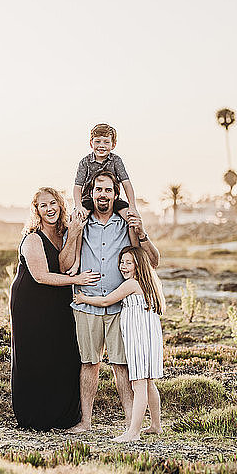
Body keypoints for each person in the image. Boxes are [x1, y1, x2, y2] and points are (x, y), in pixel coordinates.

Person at [59, 171, 160, 434]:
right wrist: (73, 233)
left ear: (116, 195)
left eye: (107, 190)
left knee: (121, 366)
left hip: (119, 308)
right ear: (90, 194)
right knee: (89, 364)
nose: (102, 195)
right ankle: (86, 422)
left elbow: (152, 261)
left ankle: (130, 424)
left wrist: (142, 231)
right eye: (98, 190)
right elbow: (65, 264)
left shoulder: (126, 224)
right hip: (86, 305)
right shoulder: (81, 223)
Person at [10, 187, 100, 430]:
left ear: (61, 205)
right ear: (36, 210)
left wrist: (74, 234)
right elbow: (41, 276)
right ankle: (34, 415)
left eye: (53, 203)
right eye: (43, 205)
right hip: (31, 301)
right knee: (36, 354)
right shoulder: (32, 238)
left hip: (59, 299)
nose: (49, 209)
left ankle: (63, 414)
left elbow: (65, 264)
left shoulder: (65, 233)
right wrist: (77, 281)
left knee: (64, 351)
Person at [74, 246, 164, 442]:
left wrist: (83, 298)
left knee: (138, 384)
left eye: (128, 263)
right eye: (121, 262)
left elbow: (106, 301)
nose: (123, 267)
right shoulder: (151, 282)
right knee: (149, 383)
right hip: (150, 338)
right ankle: (156, 425)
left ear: (139, 265)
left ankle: (133, 432)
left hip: (139, 338)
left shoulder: (132, 284)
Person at [73, 122, 138, 220]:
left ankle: (138, 235)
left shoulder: (116, 161)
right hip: (89, 199)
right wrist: (78, 206)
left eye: (106, 142)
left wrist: (132, 206)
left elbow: (126, 183)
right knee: (77, 218)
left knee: (132, 217)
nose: (101, 145)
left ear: (113, 145)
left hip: (111, 199)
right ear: (91, 143)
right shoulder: (85, 162)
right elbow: (78, 187)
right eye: (97, 141)